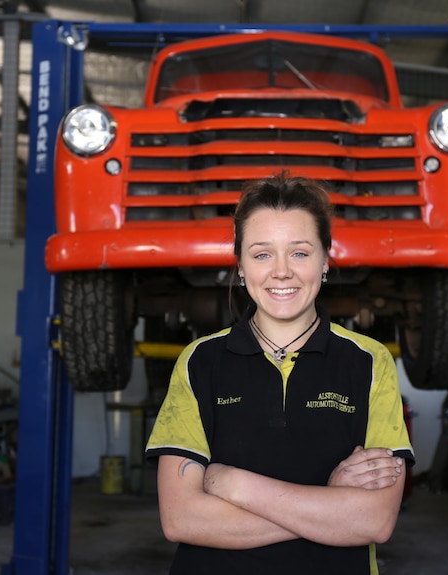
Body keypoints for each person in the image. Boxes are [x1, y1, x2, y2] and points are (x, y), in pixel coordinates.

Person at [145, 171, 415, 574]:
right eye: (262, 254)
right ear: (240, 266)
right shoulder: (200, 361)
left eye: (301, 253)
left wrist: (234, 484)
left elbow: (373, 520)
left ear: (325, 259)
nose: (282, 271)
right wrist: (328, 502)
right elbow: (181, 519)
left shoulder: (368, 361)